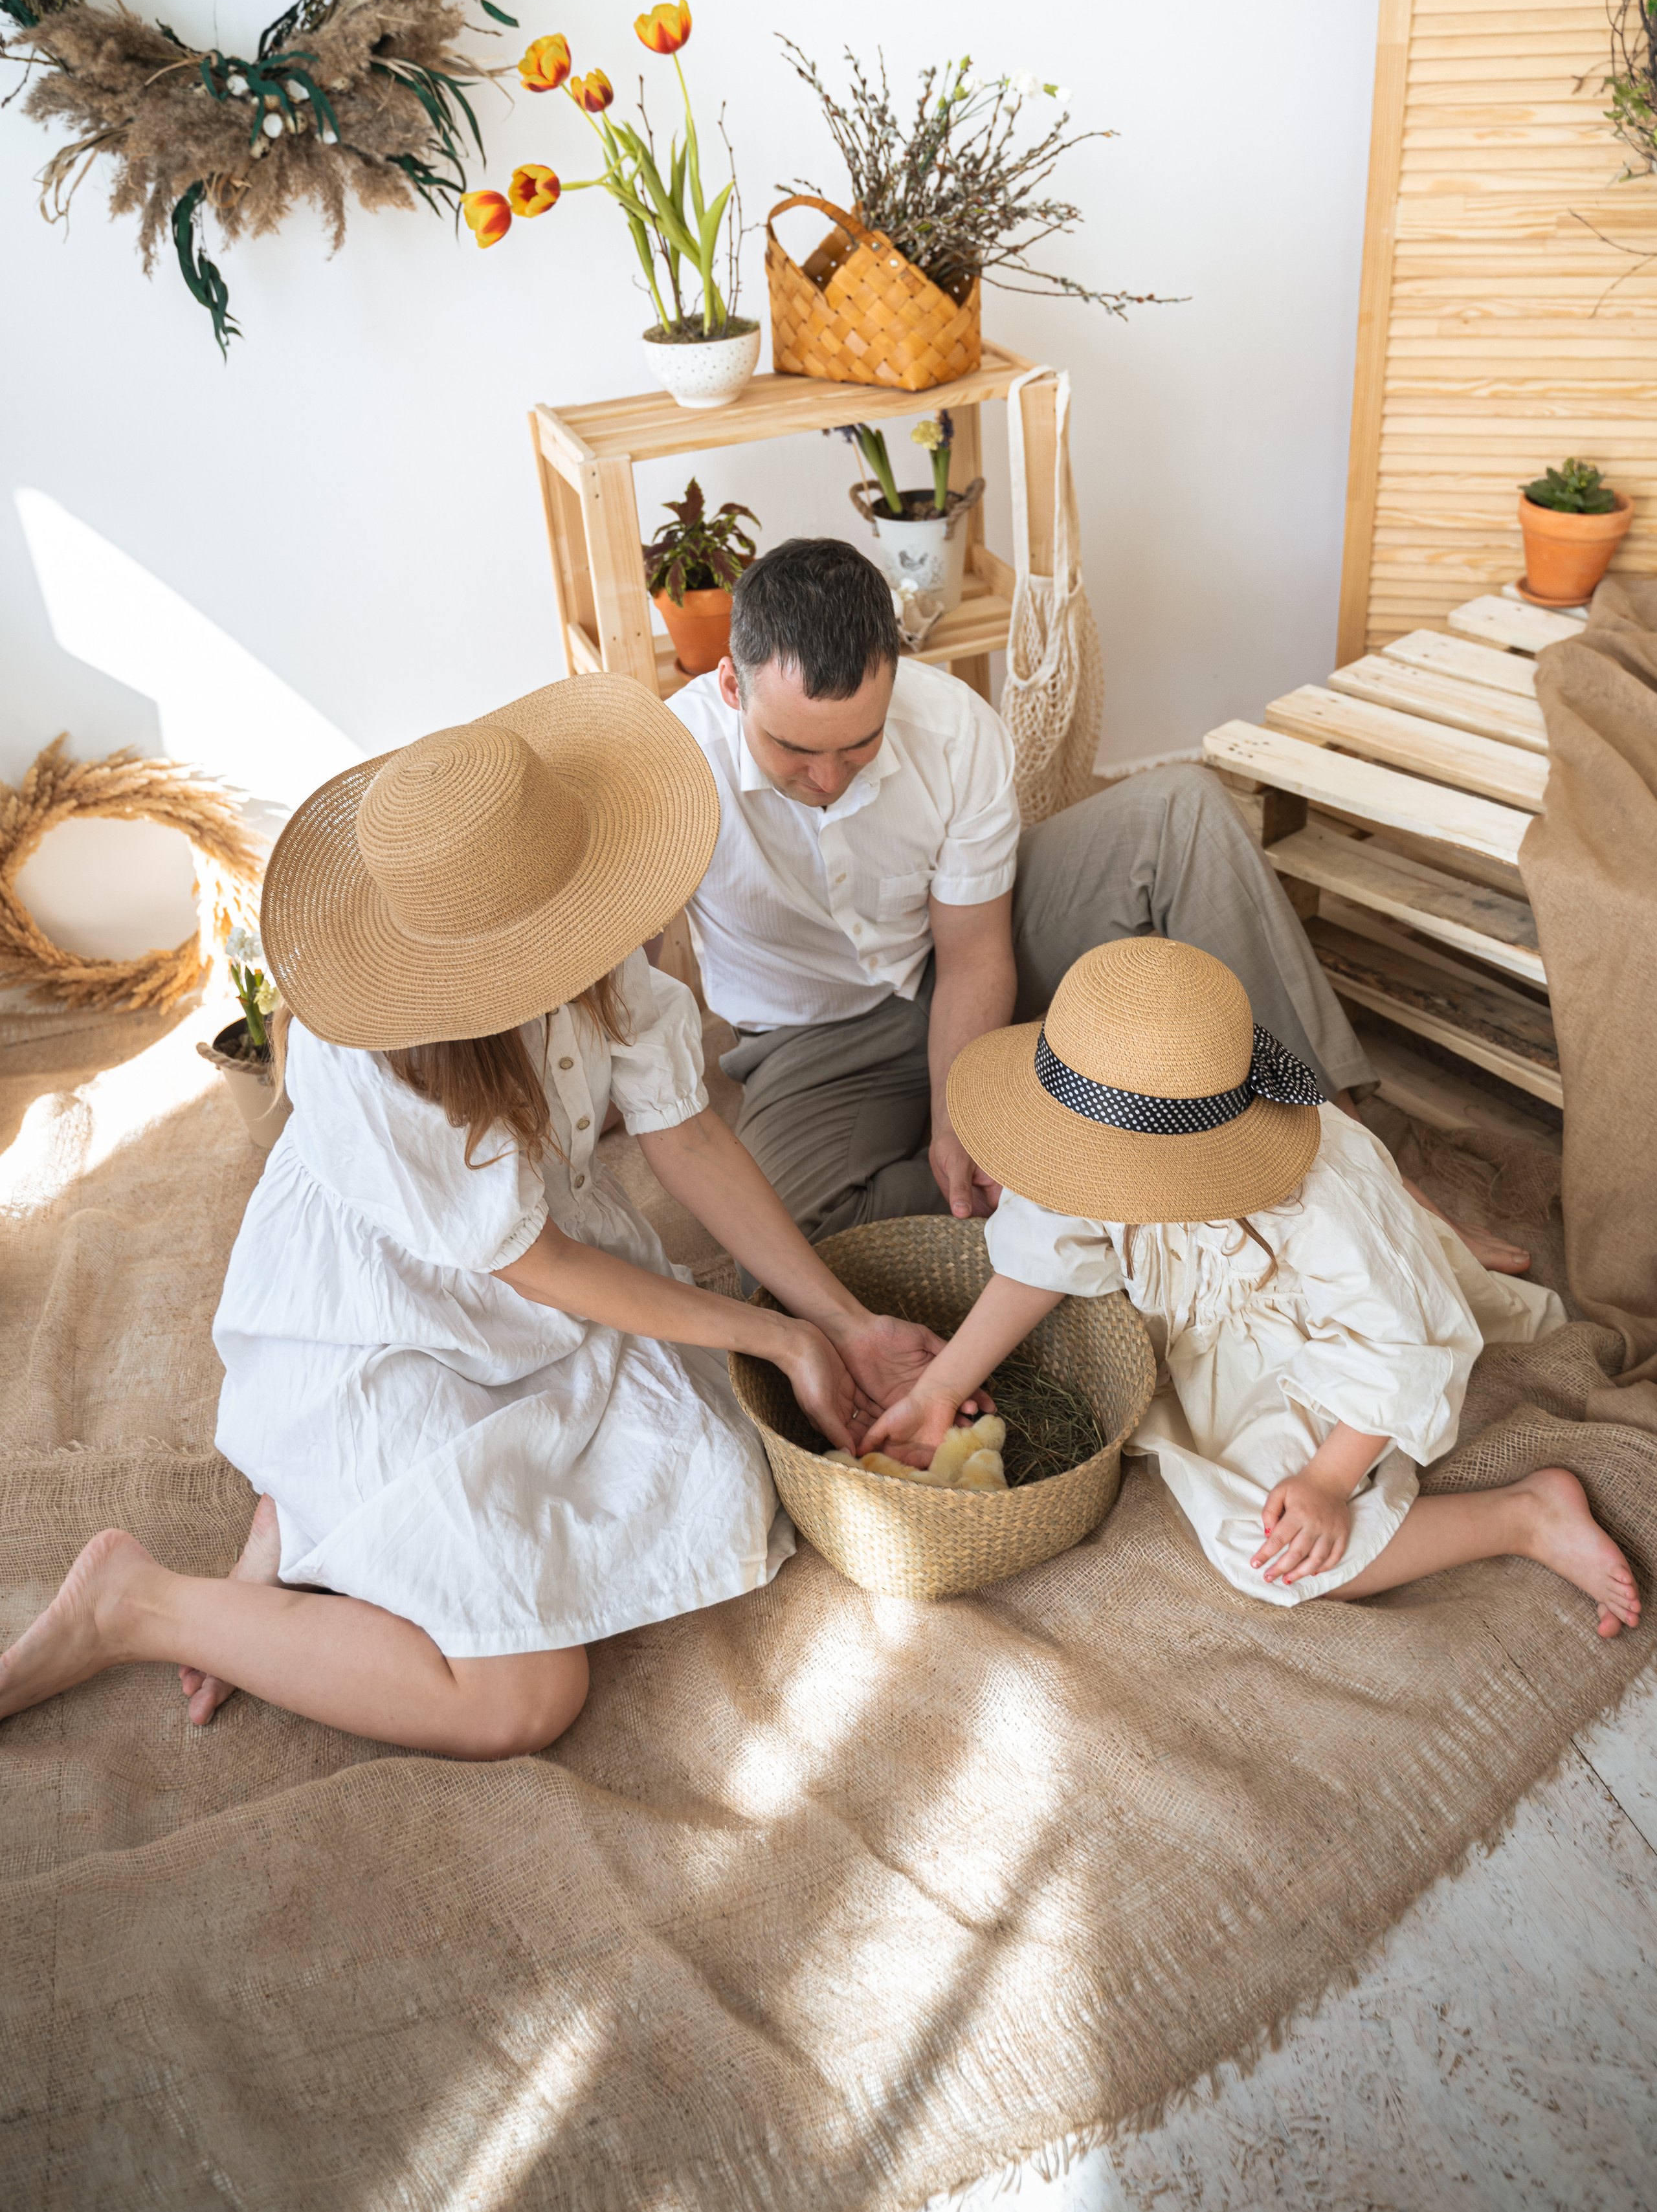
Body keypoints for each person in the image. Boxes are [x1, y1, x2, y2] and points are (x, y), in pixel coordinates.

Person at [0, 678, 964, 1756]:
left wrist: (839, 1321)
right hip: (390, 1313)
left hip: (525, 1272)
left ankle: (308, 1518)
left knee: (724, 1480)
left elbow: (684, 1133)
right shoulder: (368, 1056)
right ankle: (135, 1600)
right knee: (521, 1695)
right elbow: (533, 1260)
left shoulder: (582, 919)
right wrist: (775, 1333)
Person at [669, 537, 1530, 1276]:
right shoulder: (668, 768)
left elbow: (973, 952)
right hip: (810, 1040)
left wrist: (957, 1107)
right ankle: (1118, 1144)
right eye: (795, 750)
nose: (827, 779)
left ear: (894, 682)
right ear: (731, 686)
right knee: (790, 1243)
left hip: (965, 961)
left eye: (859, 744)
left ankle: (1355, 1162)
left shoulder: (953, 728)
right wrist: (968, 1136)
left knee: (1180, 809)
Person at [860, 938, 1640, 1639]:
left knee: (1268, 1548)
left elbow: (1395, 1342)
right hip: (1210, 1343)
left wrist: (1327, 1481)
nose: (1081, 1183)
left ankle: (1524, 1516)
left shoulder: (1323, 1199)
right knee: (1236, 1494)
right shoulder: (1094, 1131)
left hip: (1317, 1353)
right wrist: (941, 1386)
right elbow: (1043, 1253)